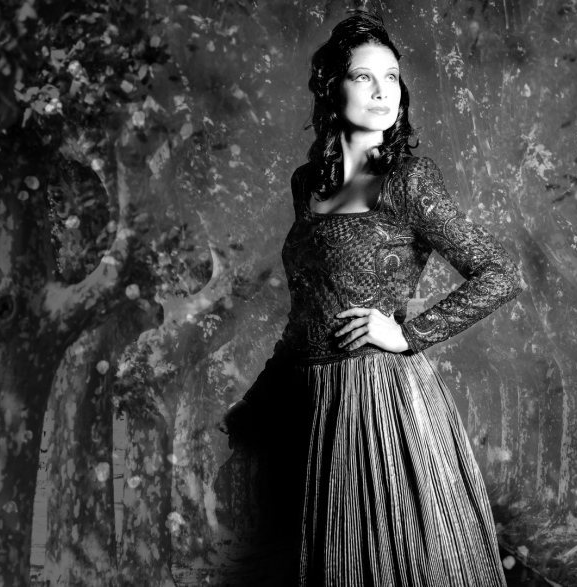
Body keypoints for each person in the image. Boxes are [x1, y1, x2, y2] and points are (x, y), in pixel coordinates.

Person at [221, 11, 521, 587]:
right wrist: (257, 399)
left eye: (392, 77)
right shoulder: (307, 183)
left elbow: (500, 274)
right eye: (364, 77)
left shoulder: (410, 180)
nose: (384, 91)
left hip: (379, 400)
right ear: (331, 88)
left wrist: (407, 335)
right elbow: (307, 309)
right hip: (313, 405)